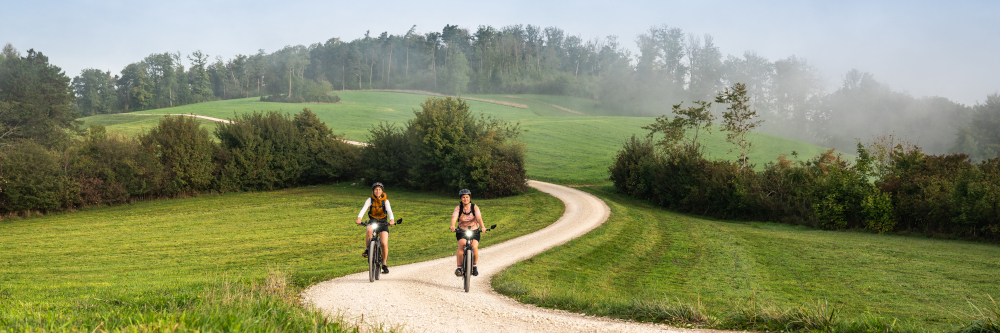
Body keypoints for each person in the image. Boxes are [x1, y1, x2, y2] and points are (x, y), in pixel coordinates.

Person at [356, 182, 395, 274]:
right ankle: (368, 249)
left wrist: (392, 220)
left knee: (384, 244)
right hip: (373, 221)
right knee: (369, 229)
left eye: (379, 190)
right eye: (376, 190)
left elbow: (389, 211)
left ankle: (384, 264)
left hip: (383, 222)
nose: (377, 191)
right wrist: (359, 218)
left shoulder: (385, 201)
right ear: (373, 191)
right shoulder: (370, 200)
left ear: (382, 191)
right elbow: (363, 209)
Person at [450, 189, 485, 277]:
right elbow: (454, 218)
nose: (465, 199)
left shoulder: (474, 207)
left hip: (474, 230)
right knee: (462, 244)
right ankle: (459, 268)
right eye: (463, 197)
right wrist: (453, 225)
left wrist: (483, 227)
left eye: (467, 197)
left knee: (474, 246)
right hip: (462, 230)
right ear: (461, 199)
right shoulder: (458, 208)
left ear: (470, 198)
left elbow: (479, 218)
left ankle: (474, 266)